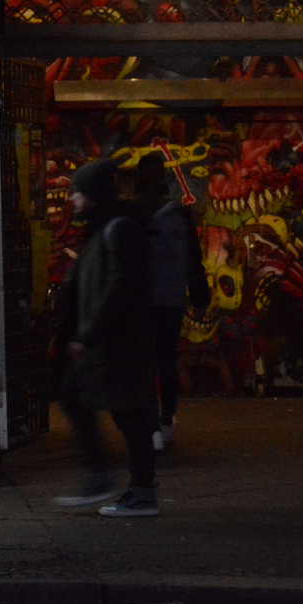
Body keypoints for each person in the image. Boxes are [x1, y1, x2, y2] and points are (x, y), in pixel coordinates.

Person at [50, 158, 160, 517]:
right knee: (85, 399)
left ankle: (139, 492)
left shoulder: (118, 228)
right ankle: (109, 480)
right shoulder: (104, 226)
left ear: (94, 193)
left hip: (117, 342)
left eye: (78, 192)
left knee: (129, 414)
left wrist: (89, 333)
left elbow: (120, 286)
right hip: (106, 341)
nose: (73, 200)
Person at [135, 151, 206, 452]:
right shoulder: (179, 213)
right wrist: (198, 289)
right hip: (172, 297)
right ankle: (167, 421)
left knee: (145, 363)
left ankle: (150, 426)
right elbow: (193, 255)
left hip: (143, 300)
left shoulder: (135, 212)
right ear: (163, 177)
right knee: (167, 360)